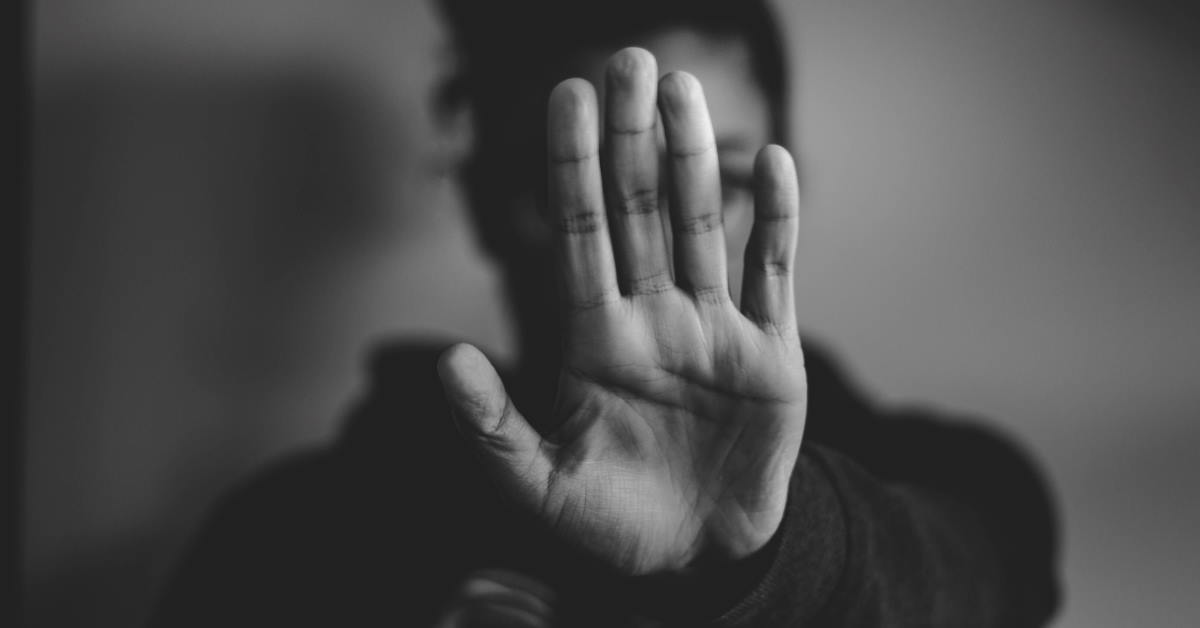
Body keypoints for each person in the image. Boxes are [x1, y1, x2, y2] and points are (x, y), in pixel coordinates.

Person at [150, 1, 1061, 626]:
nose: (657, 233)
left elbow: (978, 577)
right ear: (486, 206)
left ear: (789, 193)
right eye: (592, 182)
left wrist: (777, 550)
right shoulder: (284, 541)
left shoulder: (959, 485)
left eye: (721, 179)